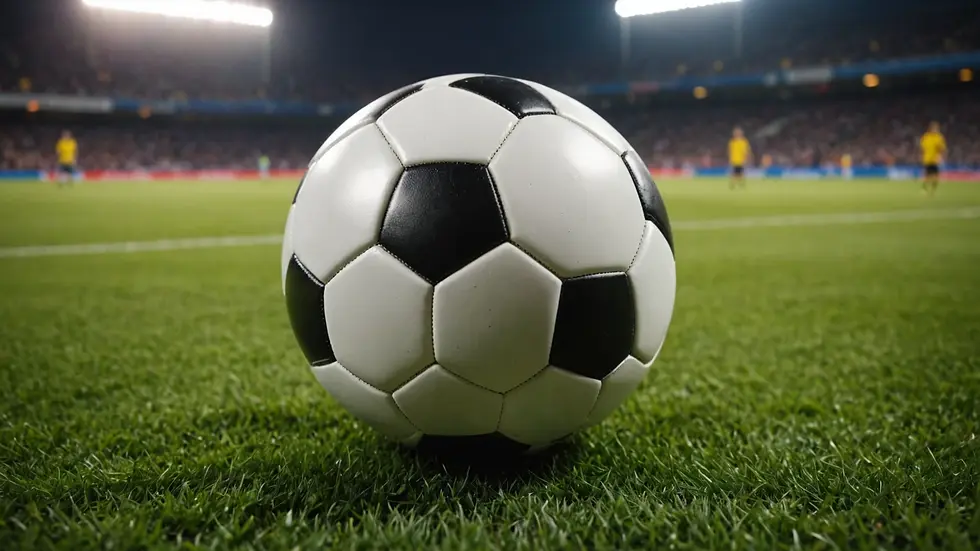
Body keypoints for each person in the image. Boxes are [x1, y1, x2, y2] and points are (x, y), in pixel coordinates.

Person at [919, 121, 946, 196]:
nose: (935, 129)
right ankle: (924, 189)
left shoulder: (939, 137)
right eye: (934, 128)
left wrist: (940, 157)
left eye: (936, 128)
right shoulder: (926, 137)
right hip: (927, 159)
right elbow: (922, 148)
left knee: (936, 176)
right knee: (927, 176)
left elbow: (942, 149)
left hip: (935, 160)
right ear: (931, 129)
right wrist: (922, 156)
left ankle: (933, 191)